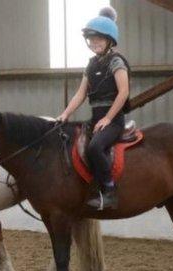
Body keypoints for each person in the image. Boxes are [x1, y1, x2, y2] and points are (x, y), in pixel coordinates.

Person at [56, 6, 130, 211]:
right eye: (91, 39)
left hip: (113, 120)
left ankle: (109, 191)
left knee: (95, 147)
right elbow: (80, 94)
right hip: (95, 119)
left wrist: (107, 119)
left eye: (99, 39)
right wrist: (65, 114)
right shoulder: (91, 65)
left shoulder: (116, 61)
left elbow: (123, 92)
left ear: (109, 40)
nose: (94, 42)